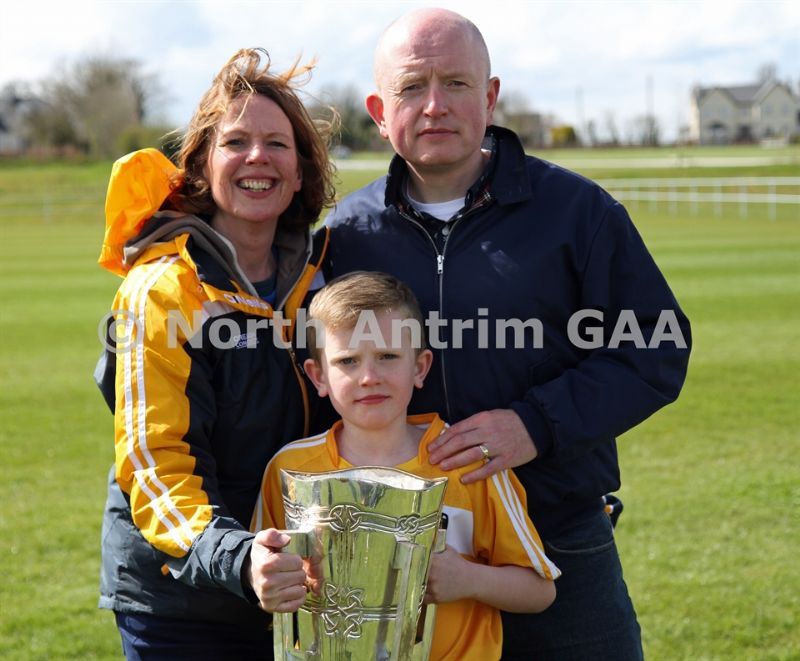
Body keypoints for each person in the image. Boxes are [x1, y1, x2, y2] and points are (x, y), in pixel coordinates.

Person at [324, 8, 692, 660]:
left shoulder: (578, 212)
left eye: (456, 83)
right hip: (396, 544)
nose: (435, 105)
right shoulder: (343, 236)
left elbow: (656, 347)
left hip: (557, 531)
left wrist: (535, 424)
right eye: (411, 87)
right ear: (379, 111)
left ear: (490, 96)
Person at [94, 48, 336, 659]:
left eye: (277, 144)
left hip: (298, 585)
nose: (258, 157)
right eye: (235, 142)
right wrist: (239, 557)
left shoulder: (325, 284)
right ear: (201, 165)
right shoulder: (162, 291)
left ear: (301, 172)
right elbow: (155, 462)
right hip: (184, 604)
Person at [255, 271, 560, 660]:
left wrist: (469, 579)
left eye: (387, 356)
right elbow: (264, 582)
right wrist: (270, 586)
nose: (369, 377)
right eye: (348, 361)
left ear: (419, 367)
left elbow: (540, 590)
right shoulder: (289, 469)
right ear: (318, 376)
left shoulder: (467, 461)